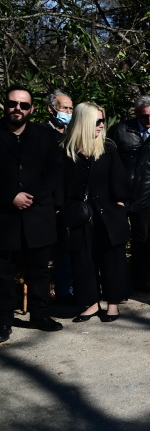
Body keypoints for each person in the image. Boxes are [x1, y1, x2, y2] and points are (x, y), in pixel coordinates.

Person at [0, 85, 65, 342]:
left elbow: (54, 171)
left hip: (37, 213)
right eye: (13, 103)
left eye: (24, 105)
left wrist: (32, 196)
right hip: (4, 216)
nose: (18, 108)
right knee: (3, 273)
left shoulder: (43, 135)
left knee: (39, 270)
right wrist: (9, 196)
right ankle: (4, 319)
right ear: (6, 105)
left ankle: (40, 315)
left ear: (32, 109)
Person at [61, 102, 131, 323]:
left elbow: (119, 181)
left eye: (102, 120)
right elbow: (61, 185)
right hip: (80, 216)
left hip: (108, 214)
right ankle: (91, 304)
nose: (102, 125)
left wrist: (120, 207)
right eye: (97, 121)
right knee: (83, 260)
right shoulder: (66, 151)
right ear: (84, 122)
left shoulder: (108, 148)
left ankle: (112, 304)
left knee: (112, 260)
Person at [107, 95, 150, 293]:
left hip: (144, 195)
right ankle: (116, 285)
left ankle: (139, 283)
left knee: (141, 240)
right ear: (136, 114)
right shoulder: (120, 130)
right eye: (145, 117)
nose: (149, 121)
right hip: (119, 195)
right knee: (115, 240)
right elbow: (107, 159)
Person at [45, 89, 76, 305]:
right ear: (51, 109)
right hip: (47, 203)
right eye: (64, 107)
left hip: (69, 201)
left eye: (70, 108)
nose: (67, 111)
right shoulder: (40, 134)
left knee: (67, 250)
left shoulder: (71, 134)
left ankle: (67, 292)